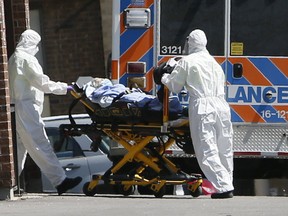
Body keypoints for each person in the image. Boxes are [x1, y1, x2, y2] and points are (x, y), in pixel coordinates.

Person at [161, 29, 234, 198]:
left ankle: (224, 187)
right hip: (221, 106)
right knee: (224, 147)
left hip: (203, 107)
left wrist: (164, 76)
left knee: (206, 148)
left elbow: (175, 86)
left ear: (190, 43)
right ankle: (227, 182)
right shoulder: (214, 62)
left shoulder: (188, 61)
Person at [8, 29, 82, 195]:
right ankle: (60, 181)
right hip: (27, 109)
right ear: (32, 43)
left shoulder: (14, 58)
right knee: (41, 145)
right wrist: (65, 88)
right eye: (36, 45)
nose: (37, 48)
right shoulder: (26, 59)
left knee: (20, 149)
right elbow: (42, 83)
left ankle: (9, 184)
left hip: (18, 108)